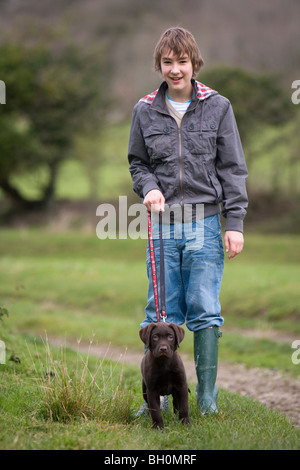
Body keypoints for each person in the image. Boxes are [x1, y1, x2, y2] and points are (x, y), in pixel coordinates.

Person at [128, 27, 248, 415]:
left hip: (206, 222)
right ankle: (154, 402)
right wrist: (147, 187)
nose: (175, 69)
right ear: (159, 66)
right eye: (168, 62)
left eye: (182, 61)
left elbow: (232, 168)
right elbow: (138, 162)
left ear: (194, 63)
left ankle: (207, 400)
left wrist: (235, 223)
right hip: (162, 224)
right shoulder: (144, 109)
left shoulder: (219, 106)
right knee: (161, 311)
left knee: (204, 307)